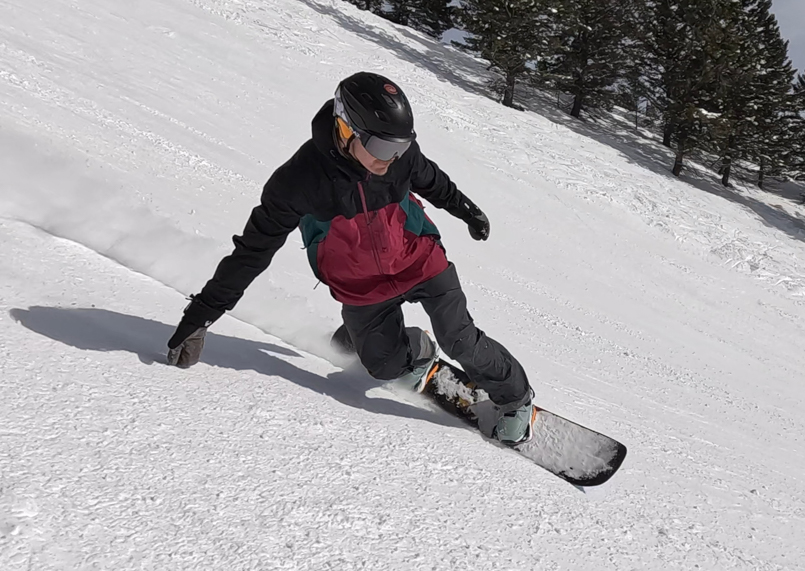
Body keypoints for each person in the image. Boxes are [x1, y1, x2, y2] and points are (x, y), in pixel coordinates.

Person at [165, 71, 535, 444]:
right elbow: (250, 254)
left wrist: (468, 211)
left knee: (460, 338)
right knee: (384, 366)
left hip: (418, 259)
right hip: (359, 285)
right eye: (381, 148)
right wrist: (200, 317)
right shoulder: (299, 182)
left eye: (400, 148)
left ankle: (516, 399)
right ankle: (410, 346)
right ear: (345, 129)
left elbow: (430, 179)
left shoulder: (398, 156)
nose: (390, 160)